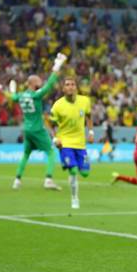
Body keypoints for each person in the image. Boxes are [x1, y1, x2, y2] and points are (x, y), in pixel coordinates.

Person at [10, 53, 66, 190]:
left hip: (27, 129)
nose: (40, 83)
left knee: (26, 154)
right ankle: (48, 179)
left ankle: (17, 180)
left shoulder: (21, 96)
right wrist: (57, 65)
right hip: (37, 129)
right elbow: (50, 85)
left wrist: (12, 89)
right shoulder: (36, 95)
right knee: (51, 152)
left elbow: (13, 97)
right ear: (32, 83)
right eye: (38, 82)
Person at [50, 77, 94, 209]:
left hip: (80, 144)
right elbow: (51, 125)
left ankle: (72, 176)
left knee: (85, 173)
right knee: (74, 171)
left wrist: (91, 133)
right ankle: (75, 198)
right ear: (63, 89)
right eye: (67, 84)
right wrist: (55, 138)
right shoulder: (58, 105)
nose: (70, 87)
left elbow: (89, 116)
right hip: (65, 143)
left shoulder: (85, 101)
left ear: (76, 87)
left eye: (72, 84)